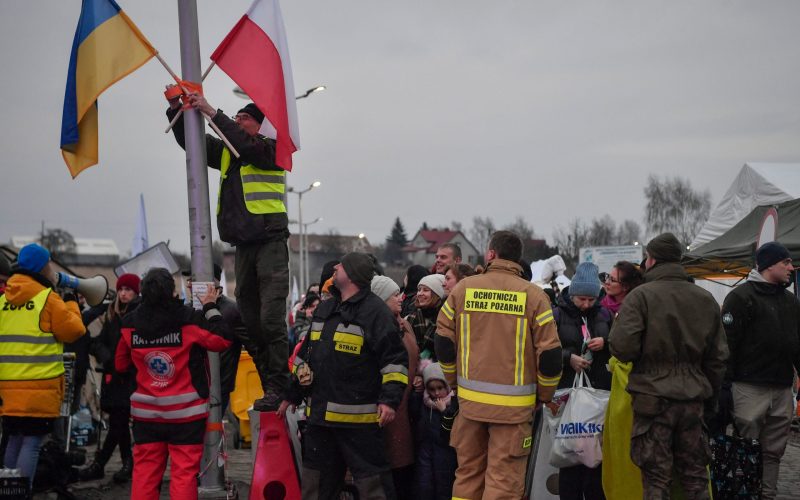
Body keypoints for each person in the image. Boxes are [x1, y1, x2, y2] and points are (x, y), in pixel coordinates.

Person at [167, 90, 289, 411]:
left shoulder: (271, 149)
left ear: (260, 126)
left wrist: (211, 111)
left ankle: (281, 385)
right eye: (234, 118)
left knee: (271, 320)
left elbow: (247, 146)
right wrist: (176, 111)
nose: (237, 121)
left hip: (270, 243)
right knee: (250, 322)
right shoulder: (228, 151)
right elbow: (192, 142)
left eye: (244, 118)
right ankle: (271, 388)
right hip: (244, 247)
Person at [435, 230, 563, 499]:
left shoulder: (463, 290)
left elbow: (443, 342)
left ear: (491, 254)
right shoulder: (535, 297)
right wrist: (545, 396)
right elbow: (550, 356)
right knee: (503, 483)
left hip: (470, 407)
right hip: (514, 412)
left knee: (467, 477)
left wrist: (453, 382)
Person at [608, 232, 728, 499]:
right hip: (693, 399)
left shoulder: (640, 297)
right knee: (695, 477)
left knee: (656, 479)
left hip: (653, 400)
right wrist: (710, 398)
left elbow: (622, 347)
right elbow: (718, 357)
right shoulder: (705, 298)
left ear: (651, 260)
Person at [283, 253, 408, 499]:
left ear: (351, 274)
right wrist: (292, 394)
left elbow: (395, 361)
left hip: (359, 425)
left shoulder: (376, 313)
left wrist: (389, 400)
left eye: (341, 265)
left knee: (375, 489)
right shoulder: (326, 310)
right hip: (320, 423)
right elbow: (305, 358)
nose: (335, 267)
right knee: (315, 489)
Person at [116, 268, 232, 500]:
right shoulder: (188, 319)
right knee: (183, 474)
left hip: (146, 415)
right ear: (171, 291)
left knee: (145, 473)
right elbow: (222, 340)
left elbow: (119, 364)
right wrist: (209, 306)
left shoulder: (129, 324)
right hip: (186, 416)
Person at [719, 241, 800, 500]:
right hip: (749, 386)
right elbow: (727, 346)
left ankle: (768, 495)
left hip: (781, 386)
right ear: (768, 265)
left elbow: (796, 343)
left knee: (774, 450)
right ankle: (746, 494)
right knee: (747, 447)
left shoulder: (790, 301)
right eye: (785, 262)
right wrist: (724, 387)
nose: (791, 266)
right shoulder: (740, 298)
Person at [0, 244, 85, 487]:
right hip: (38, 387)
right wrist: (71, 303)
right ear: (42, 267)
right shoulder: (47, 298)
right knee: (32, 442)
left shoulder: (3, 300)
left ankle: (8, 490)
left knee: (14, 439)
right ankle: (23, 491)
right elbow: (74, 331)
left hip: (7, 388)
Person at [553, 262, 612, 500]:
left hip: (598, 395)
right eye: (582, 299)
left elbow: (619, 346)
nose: (587, 304)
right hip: (568, 394)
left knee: (595, 461)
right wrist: (568, 358)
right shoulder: (556, 315)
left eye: (591, 299)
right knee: (570, 458)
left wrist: (605, 344)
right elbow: (544, 351)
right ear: (572, 294)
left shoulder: (605, 314)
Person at [79, 273, 141, 483]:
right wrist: (106, 356)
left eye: (129, 290)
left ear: (136, 292)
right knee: (119, 423)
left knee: (118, 423)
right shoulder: (112, 315)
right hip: (113, 379)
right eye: (121, 289)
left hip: (129, 379)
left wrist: (121, 362)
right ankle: (126, 463)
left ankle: (102, 464)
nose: (123, 294)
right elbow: (99, 341)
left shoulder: (137, 315)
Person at [371, 275, 419, 500]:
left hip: (407, 405)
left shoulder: (404, 322)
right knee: (394, 466)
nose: (400, 298)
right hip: (389, 408)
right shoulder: (378, 326)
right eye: (393, 295)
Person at [410, 361, 458, 500]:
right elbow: (413, 413)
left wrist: (444, 412)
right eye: (432, 389)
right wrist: (416, 393)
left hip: (445, 451)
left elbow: (452, 430)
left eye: (440, 388)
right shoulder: (425, 402)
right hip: (426, 448)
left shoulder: (453, 404)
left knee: (444, 484)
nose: (437, 393)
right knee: (424, 484)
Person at [407, 274, 446, 360]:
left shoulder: (446, 319)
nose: (420, 294)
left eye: (425, 290)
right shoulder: (410, 317)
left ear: (437, 294)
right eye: (419, 290)